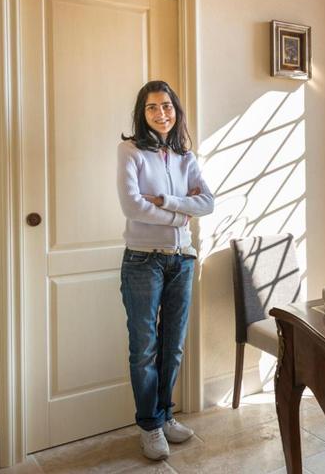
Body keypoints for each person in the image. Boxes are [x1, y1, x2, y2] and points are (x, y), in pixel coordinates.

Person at [117, 80, 214, 460]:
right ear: (142, 113)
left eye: (167, 106)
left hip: (182, 260)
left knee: (172, 347)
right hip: (143, 259)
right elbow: (132, 205)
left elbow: (207, 203)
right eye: (153, 107)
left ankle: (166, 415)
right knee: (144, 349)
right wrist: (180, 214)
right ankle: (150, 425)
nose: (161, 113)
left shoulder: (185, 156)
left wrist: (166, 201)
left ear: (176, 110)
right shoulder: (130, 151)